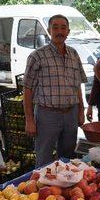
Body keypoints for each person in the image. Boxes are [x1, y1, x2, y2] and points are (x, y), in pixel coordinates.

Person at [23, 14, 87, 167]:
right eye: (55, 27)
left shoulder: (73, 54)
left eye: (63, 27)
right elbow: (28, 89)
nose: (59, 31)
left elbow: (77, 84)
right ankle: (42, 187)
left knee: (67, 158)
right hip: (47, 116)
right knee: (44, 159)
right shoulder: (37, 56)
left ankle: (63, 187)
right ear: (49, 30)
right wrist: (29, 120)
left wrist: (81, 111)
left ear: (68, 31)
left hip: (70, 114)